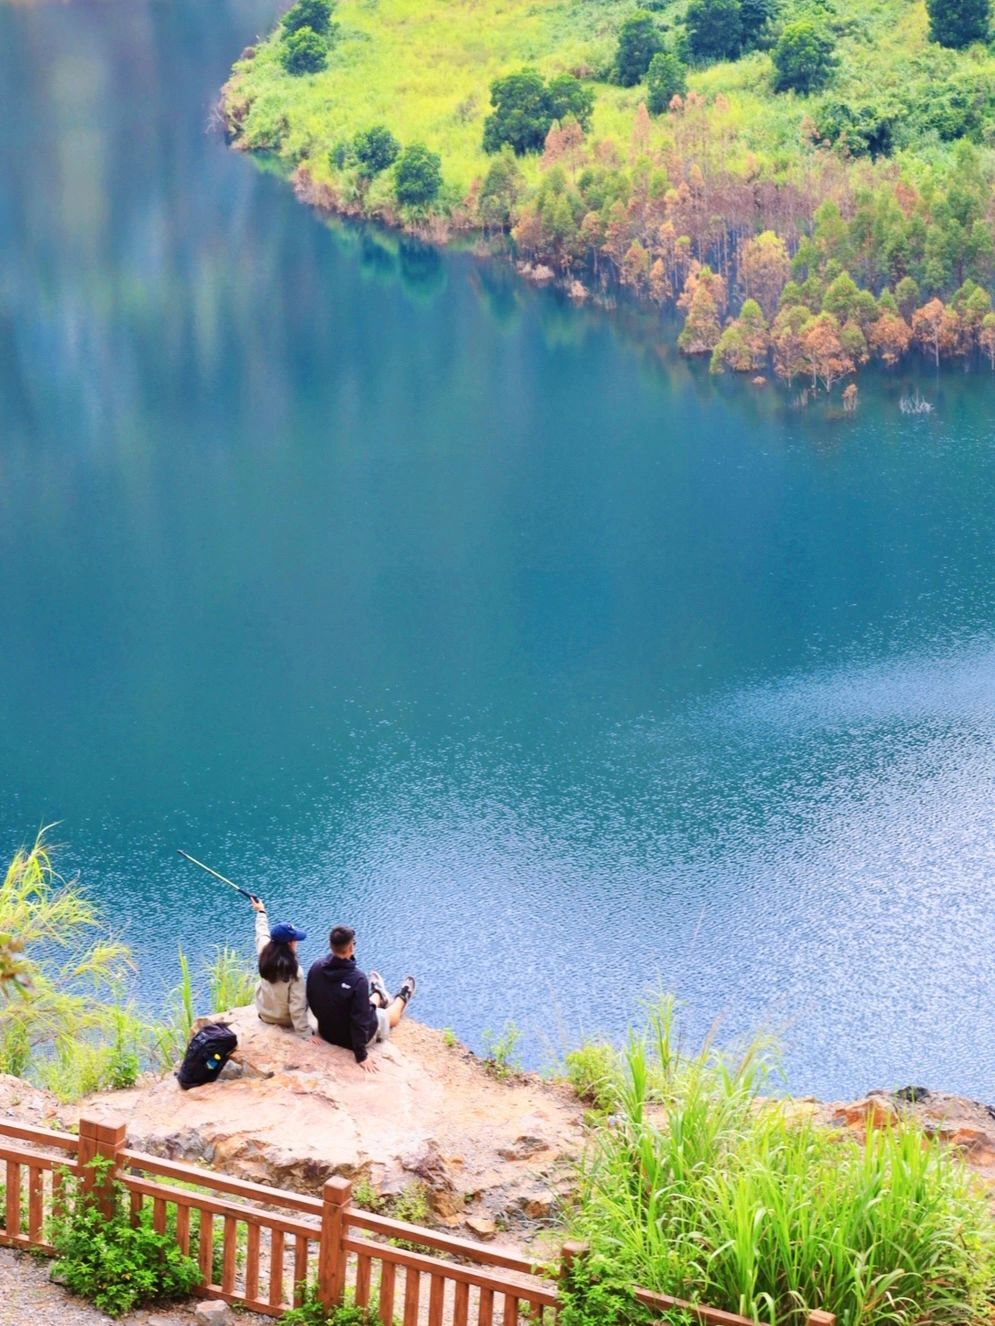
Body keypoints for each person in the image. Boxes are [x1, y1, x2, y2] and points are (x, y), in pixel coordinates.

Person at [306, 924, 415, 1073]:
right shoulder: (358, 979)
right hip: (350, 1040)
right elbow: (360, 1021)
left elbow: (310, 997)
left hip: (327, 1032)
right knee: (387, 1016)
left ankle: (378, 993)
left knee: (365, 1005)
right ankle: (403, 997)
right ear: (351, 947)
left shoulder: (316, 967)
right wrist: (361, 1055)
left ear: (330, 946)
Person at [251, 897, 311, 1039]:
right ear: (289, 943)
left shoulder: (264, 951)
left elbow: (261, 932)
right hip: (284, 1020)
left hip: (264, 1014)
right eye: (295, 940)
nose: (296, 943)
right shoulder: (294, 971)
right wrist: (306, 1033)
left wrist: (261, 911)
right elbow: (297, 1006)